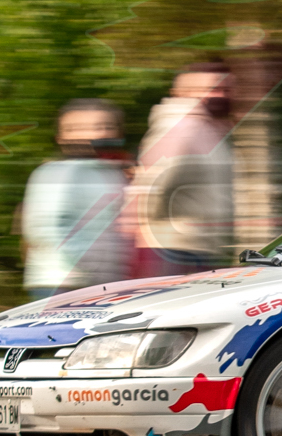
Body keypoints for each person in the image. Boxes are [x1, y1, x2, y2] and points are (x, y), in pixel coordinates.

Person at [22, 99, 134, 300]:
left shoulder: (115, 174)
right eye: (78, 128)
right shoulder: (55, 173)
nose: (95, 134)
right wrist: (88, 269)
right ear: (61, 137)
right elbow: (46, 227)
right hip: (64, 282)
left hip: (107, 282)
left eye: (105, 127)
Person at [129, 64, 234, 276]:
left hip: (196, 245)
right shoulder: (181, 127)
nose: (220, 95)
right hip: (172, 247)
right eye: (211, 89)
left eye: (226, 89)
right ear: (182, 93)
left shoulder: (206, 128)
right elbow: (154, 182)